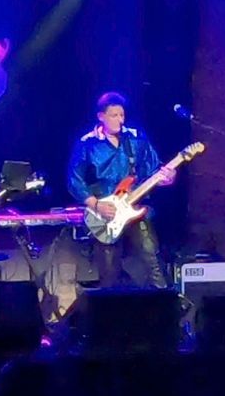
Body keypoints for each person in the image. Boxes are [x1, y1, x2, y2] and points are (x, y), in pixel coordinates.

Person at [67, 91, 172, 288]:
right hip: (104, 212)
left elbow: (154, 168)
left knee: (152, 257)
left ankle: (165, 298)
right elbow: (74, 180)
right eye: (114, 115)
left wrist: (167, 177)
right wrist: (96, 205)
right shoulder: (87, 143)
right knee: (109, 272)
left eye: (122, 115)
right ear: (101, 116)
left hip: (135, 206)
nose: (120, 120)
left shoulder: (135, 138)